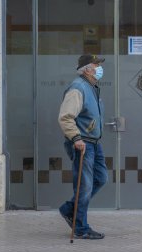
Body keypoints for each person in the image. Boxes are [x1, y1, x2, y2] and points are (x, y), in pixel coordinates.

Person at [58, 54, 107, 240]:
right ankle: (81, 227)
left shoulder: (92, 87)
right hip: (82, 142)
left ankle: (69, 209)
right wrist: (76, 138)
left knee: (101, 178)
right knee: (84, 186)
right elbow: (65, 116)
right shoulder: (78, 88)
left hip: (94, 142)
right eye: (97, 65)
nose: (100, 68)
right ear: (87, 69)